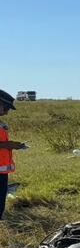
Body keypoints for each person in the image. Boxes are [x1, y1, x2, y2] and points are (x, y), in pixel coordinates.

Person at [0, 90, 27, 220]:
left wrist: (13, 145)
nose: (6, 112)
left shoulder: (1, 124)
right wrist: (12, 145)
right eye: (5, 108)